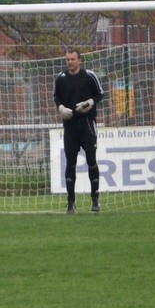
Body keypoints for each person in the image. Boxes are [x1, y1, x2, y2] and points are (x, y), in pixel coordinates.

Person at [53, 49, 104, 214]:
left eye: (72, 59)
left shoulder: (89, 76)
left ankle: (95, 199)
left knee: (91, 160)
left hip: (87, 123)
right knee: (70, 163)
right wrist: (61, 108)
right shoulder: (61, 79)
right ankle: (70, 201)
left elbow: (99, 94)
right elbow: (57, 97)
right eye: (67, 59)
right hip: (70, 125)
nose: (70, 62)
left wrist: (89, 102)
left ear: (79, 60)